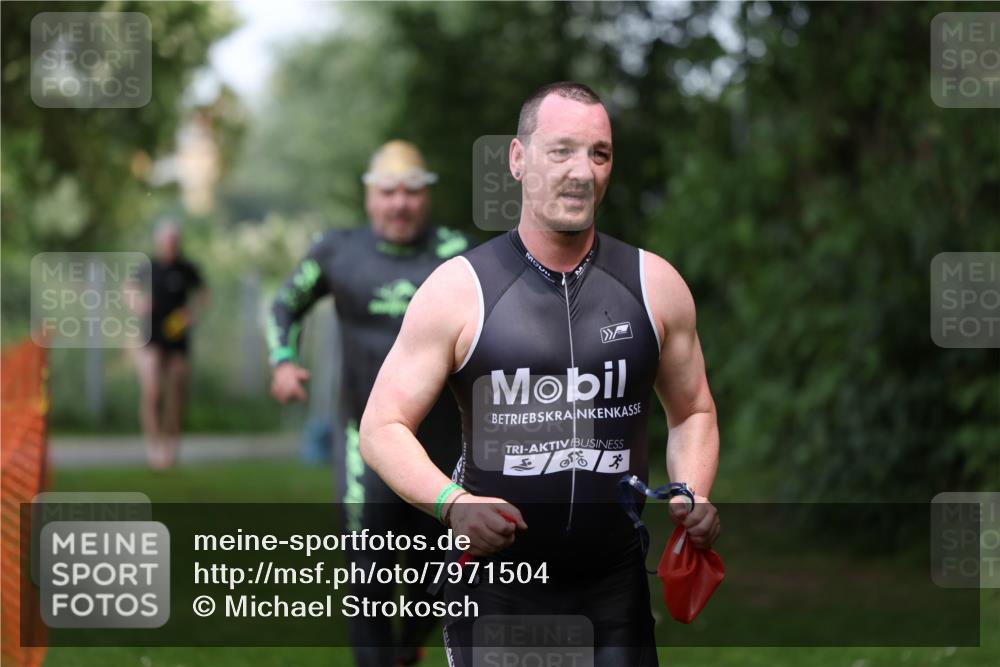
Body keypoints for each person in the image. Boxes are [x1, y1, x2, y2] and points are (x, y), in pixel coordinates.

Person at [359, 82, 721, 666]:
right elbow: (381, 427)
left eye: (598, 154)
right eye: (561, 151)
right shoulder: (460, 290)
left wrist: (693, 491)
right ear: (518, 159)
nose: (581, 172)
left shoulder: (655, 286)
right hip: (499, 590)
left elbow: (694, 411)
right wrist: (453, 504)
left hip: (614, 587)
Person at [267, 140, 470, 667]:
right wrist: (282, 360)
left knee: (438, 574)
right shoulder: (337, 251)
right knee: (368, 571)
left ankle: (409, 648)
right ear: (368, 196)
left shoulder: (456, 253)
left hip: (441, 446)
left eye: (410, 192)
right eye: (387, 192)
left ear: (426, 197)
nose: (398, 204)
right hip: (367, 443)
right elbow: (283, 304)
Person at [130, 218, 207, 470]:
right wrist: (138, 304)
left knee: (177, 389)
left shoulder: (187, 269)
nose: (170, 245)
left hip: (178, 338)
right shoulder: (148, 267)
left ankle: (171, 447)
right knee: (152, 391)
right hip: (152, 336)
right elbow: (129, 289)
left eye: (174, 241)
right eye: (167, 241)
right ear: (159, 242)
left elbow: (204, 294)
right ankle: (153, 447)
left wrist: (192, 313)